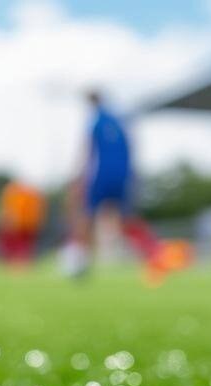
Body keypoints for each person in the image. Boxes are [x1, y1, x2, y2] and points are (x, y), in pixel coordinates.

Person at [63, 90, 133, 279]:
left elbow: (87, 150)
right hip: (123, 174)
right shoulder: (119, 120)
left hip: (101, 173)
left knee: (86, 213)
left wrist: (77, 175)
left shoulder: (94, 121)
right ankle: (122, 253)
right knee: (119, 214)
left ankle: (79, 257)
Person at [0, 180, 45, 267]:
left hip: (26, 224)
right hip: (20, 223)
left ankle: (21, 263)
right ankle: (17, 262)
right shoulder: (14, 193)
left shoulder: (29, 195)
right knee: (16, 245)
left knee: (24, 245)